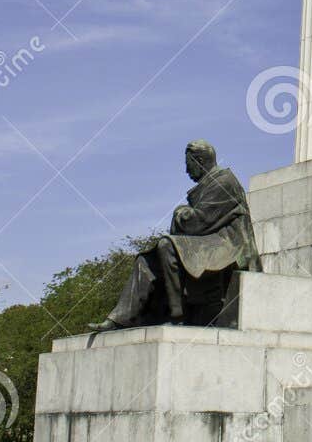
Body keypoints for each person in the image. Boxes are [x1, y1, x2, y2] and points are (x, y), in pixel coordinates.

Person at [90, 140, 261, 331]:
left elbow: (198, 222)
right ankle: (119, 319)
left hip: (227, 244)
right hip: (208, 240)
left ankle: (177, 314)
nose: (186, 171)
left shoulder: (223, 181)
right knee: (146, 261)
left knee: (167, 245)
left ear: (199, 161)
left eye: (188, 165)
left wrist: (180, 212)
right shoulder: (211, 181)